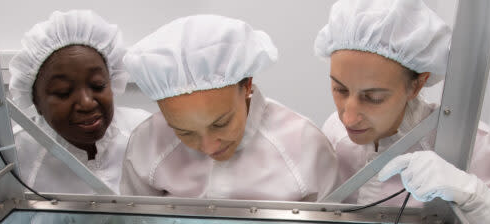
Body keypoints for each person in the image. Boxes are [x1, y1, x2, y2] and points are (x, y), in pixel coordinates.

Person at [315, 0, 490, 224]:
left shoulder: (471, 146)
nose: (348, 117)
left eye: (373, 97)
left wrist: (478, 202)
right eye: (340, 90)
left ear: (417, 85)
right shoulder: (337, 134)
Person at [120, 14, 339, 201]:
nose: (208, 147)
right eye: (184, 132)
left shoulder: (305, 147)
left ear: (247, 85)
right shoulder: (147, 143)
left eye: (220, 123)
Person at [8, 10, 150, 194]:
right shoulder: (18, 152)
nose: (87, 103)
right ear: (36, 101)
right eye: (63, 92)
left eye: (98, 85)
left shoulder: (145, 134)